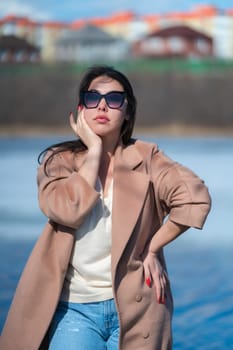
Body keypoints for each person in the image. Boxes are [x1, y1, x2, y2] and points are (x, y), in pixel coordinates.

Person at [0, 65, 211, 350]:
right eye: (92, 97)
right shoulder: (58, 161)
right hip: (74, 307)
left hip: (138, 307)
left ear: (127, 112)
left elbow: (194, 199)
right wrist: (94, 151)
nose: (102, 105)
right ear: (81, 108)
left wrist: (152, 246)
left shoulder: (147, 158)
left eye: (114, 99)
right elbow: (67, 210)